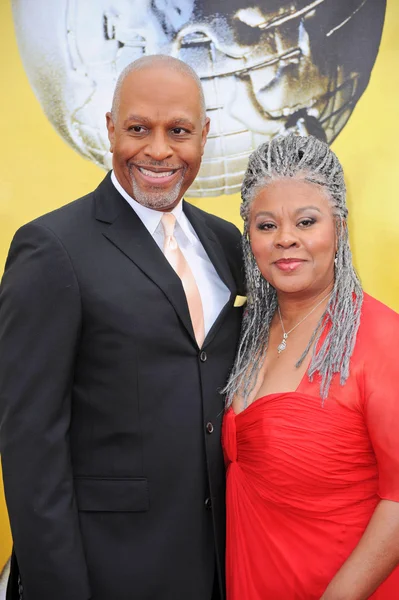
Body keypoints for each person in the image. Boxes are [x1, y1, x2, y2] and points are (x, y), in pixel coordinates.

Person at [0, 55, 244, 600]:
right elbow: (30, 448)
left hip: (218, 566)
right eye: (139, 128)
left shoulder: (228, 244)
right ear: (110, 129)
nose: (158, 150)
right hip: (108, 571)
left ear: (203, 136)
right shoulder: (52, 249)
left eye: (178, 131)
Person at [222, 134, 399, 599]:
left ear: (339, 227)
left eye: (306, 221)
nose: (286, 239)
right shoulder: (239, 334)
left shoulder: (383, 339)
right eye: (265, 225)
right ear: (249, 237)